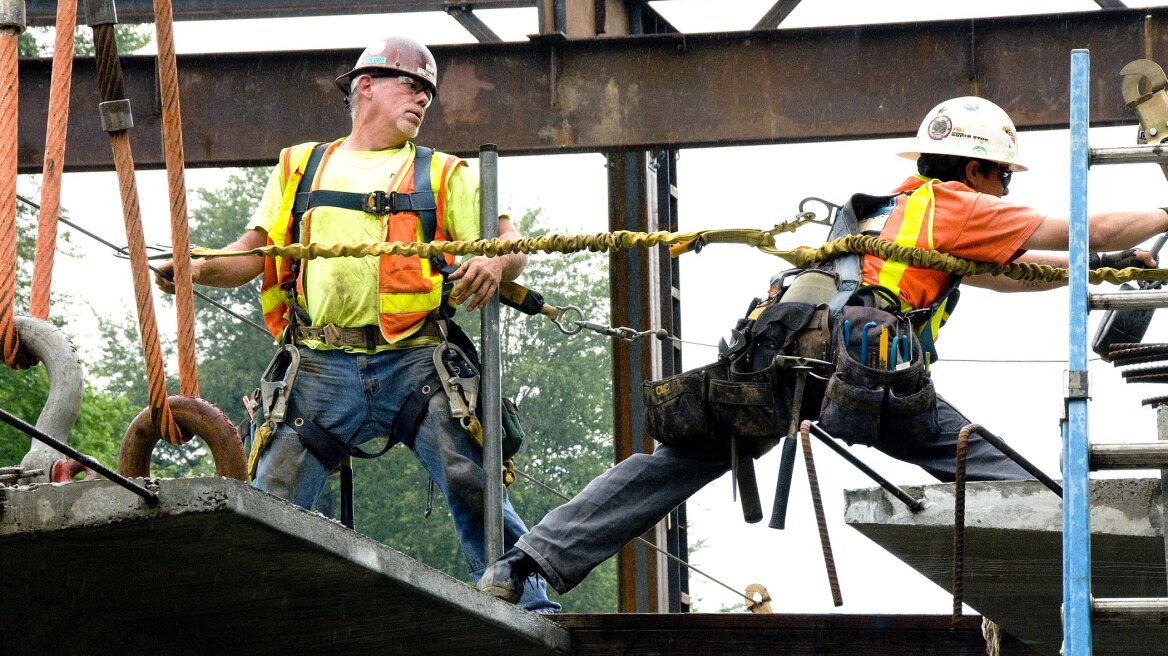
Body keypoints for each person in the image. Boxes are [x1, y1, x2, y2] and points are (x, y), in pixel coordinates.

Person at [475, 96, 1168, 603]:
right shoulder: (959, 205)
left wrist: (1120, 264)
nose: (1008, 190)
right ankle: (1086, 558)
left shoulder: (886, 209)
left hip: (780, 360)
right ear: (977, 167)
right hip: (864, 367)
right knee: (986, 467)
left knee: (671, 468)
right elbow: (1083, 225)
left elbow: (1008, 276)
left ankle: (523, 563)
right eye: (1005, 175)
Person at [154, 36, 558, 613]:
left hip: (416, 360)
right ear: (365, 85)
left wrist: (494, 262)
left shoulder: (445, 174)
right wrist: (197, 269)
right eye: (411, 85)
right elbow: (255, 254)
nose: (423, 99)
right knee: (273, 495)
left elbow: (508, 243)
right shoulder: (300, 165)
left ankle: (527, 603)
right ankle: (251, 612)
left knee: (473, 477)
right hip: (319, 366)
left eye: (429, 92)